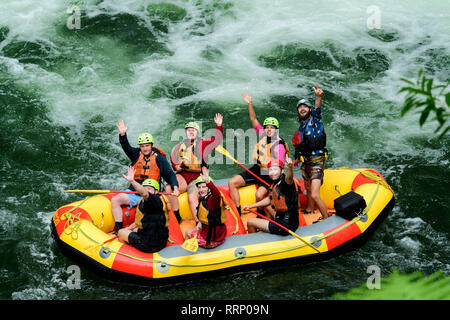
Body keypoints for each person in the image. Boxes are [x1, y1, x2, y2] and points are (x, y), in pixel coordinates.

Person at [112, 120, 179, 233]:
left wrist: (175, 187)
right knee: (115, 200)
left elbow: (170, 174)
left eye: (147, 145)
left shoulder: (159, 158)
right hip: (135, 192)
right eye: (142, 146)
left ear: (152, 145)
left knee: (149, 212)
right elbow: (126, 147)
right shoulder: (136, 154)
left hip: (151, 195)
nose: (145, 148)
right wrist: (123, 134)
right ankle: (118, 228)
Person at [228, 92, 289, 216]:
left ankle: (261, 215)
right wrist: (250, 103)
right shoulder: (262, 134)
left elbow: (280, 167)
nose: (269, 129)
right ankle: (238, 212)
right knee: (232, 183)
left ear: (276, 130)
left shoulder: (279, 146)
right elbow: (253, 119)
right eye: (267, 127)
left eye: (272, 128)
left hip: (268, 174)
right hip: (257, 169)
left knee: (259, 194)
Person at [168, 114, 223, 222]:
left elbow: (217, 141)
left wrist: (219, 125)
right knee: (169, 188)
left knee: (191, 198)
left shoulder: (203, 143)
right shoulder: (179, 147)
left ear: (197, 133)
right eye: (188, 130)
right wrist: (178, 167)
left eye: (193, 130)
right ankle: (176, 215)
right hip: (183, 176)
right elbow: (175, 165)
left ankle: (199, 222)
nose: (191, 132)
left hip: (197, 177)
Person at [292, 84, 329, 221]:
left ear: (309, 109)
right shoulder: (299, 129)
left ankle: (326, 218)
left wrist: (318, 96)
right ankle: (309, 208)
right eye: (300, 107)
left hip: (317, 160)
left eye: (305, 106)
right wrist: (295, 160)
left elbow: (318, 108)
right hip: (305, 162)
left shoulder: (315, 120)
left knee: (314, 194)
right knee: (307, 187)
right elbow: (299, 147)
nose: (302, 108)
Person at [117, 166, 170, 253]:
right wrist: (129, 229)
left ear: (156, 191)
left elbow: (145, 194)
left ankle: (129, 254)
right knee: (132, 229)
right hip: (161, 240)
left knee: (121, 233)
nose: (146, 191)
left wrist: (132, 181)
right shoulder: (158, 199)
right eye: (144, 188)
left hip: (149, 244)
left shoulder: (153, 200)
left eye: (149, 189)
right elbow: (140, 220)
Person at [243, 157, 299, 235]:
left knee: (250, 222)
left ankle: (254, 243)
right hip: (287, 218)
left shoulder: (285, 183)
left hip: (285, 226)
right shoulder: (275, 182)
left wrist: (290, 167)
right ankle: (268, 227)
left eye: (275, 169)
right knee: (267, 206)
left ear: (282, 171)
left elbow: (289, 178)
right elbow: (269, 199)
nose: (272, 172)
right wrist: (251, 206)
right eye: (270, 170)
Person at [185, 169, 227, 249]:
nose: (201, 190)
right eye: (199, 187)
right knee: (197, 230)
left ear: (209, 188)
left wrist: (208, 181)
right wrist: (200, 223)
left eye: (204, 187)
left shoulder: (213, 200)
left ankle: (188, 256)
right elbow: (207, 215)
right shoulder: (204, 198)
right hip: (217, 236)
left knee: (188, 233)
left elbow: (217, 195)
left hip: (210, 241)